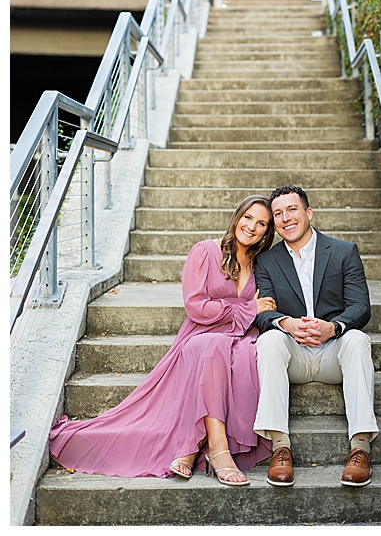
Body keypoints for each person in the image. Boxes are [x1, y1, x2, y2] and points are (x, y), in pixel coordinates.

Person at [48, 197, 277, 485]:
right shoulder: (206, 251)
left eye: (261, 224)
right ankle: (218, 450)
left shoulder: (263, 265)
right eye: (248, 218)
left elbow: (268, 306)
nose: (252, 227)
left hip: (241, 337)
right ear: (237, 217)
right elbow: (196, 306)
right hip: (201, 335)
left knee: (247, 356)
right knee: (211, 347)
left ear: (268, 232)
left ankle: (190, 448)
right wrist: (246, 309)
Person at [252, 184, 377, 488]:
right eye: (278, 214)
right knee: (267, 340)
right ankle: (280, 447)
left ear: (308, 213)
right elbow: (261, 310)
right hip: (292, 354)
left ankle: (360, 448)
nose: (286, 218)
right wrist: (286, 323)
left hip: (334, 352)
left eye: (292, 210)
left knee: (358, 340)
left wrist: (332, 328)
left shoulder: (343, 252)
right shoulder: (267, 260)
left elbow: (361, 306)